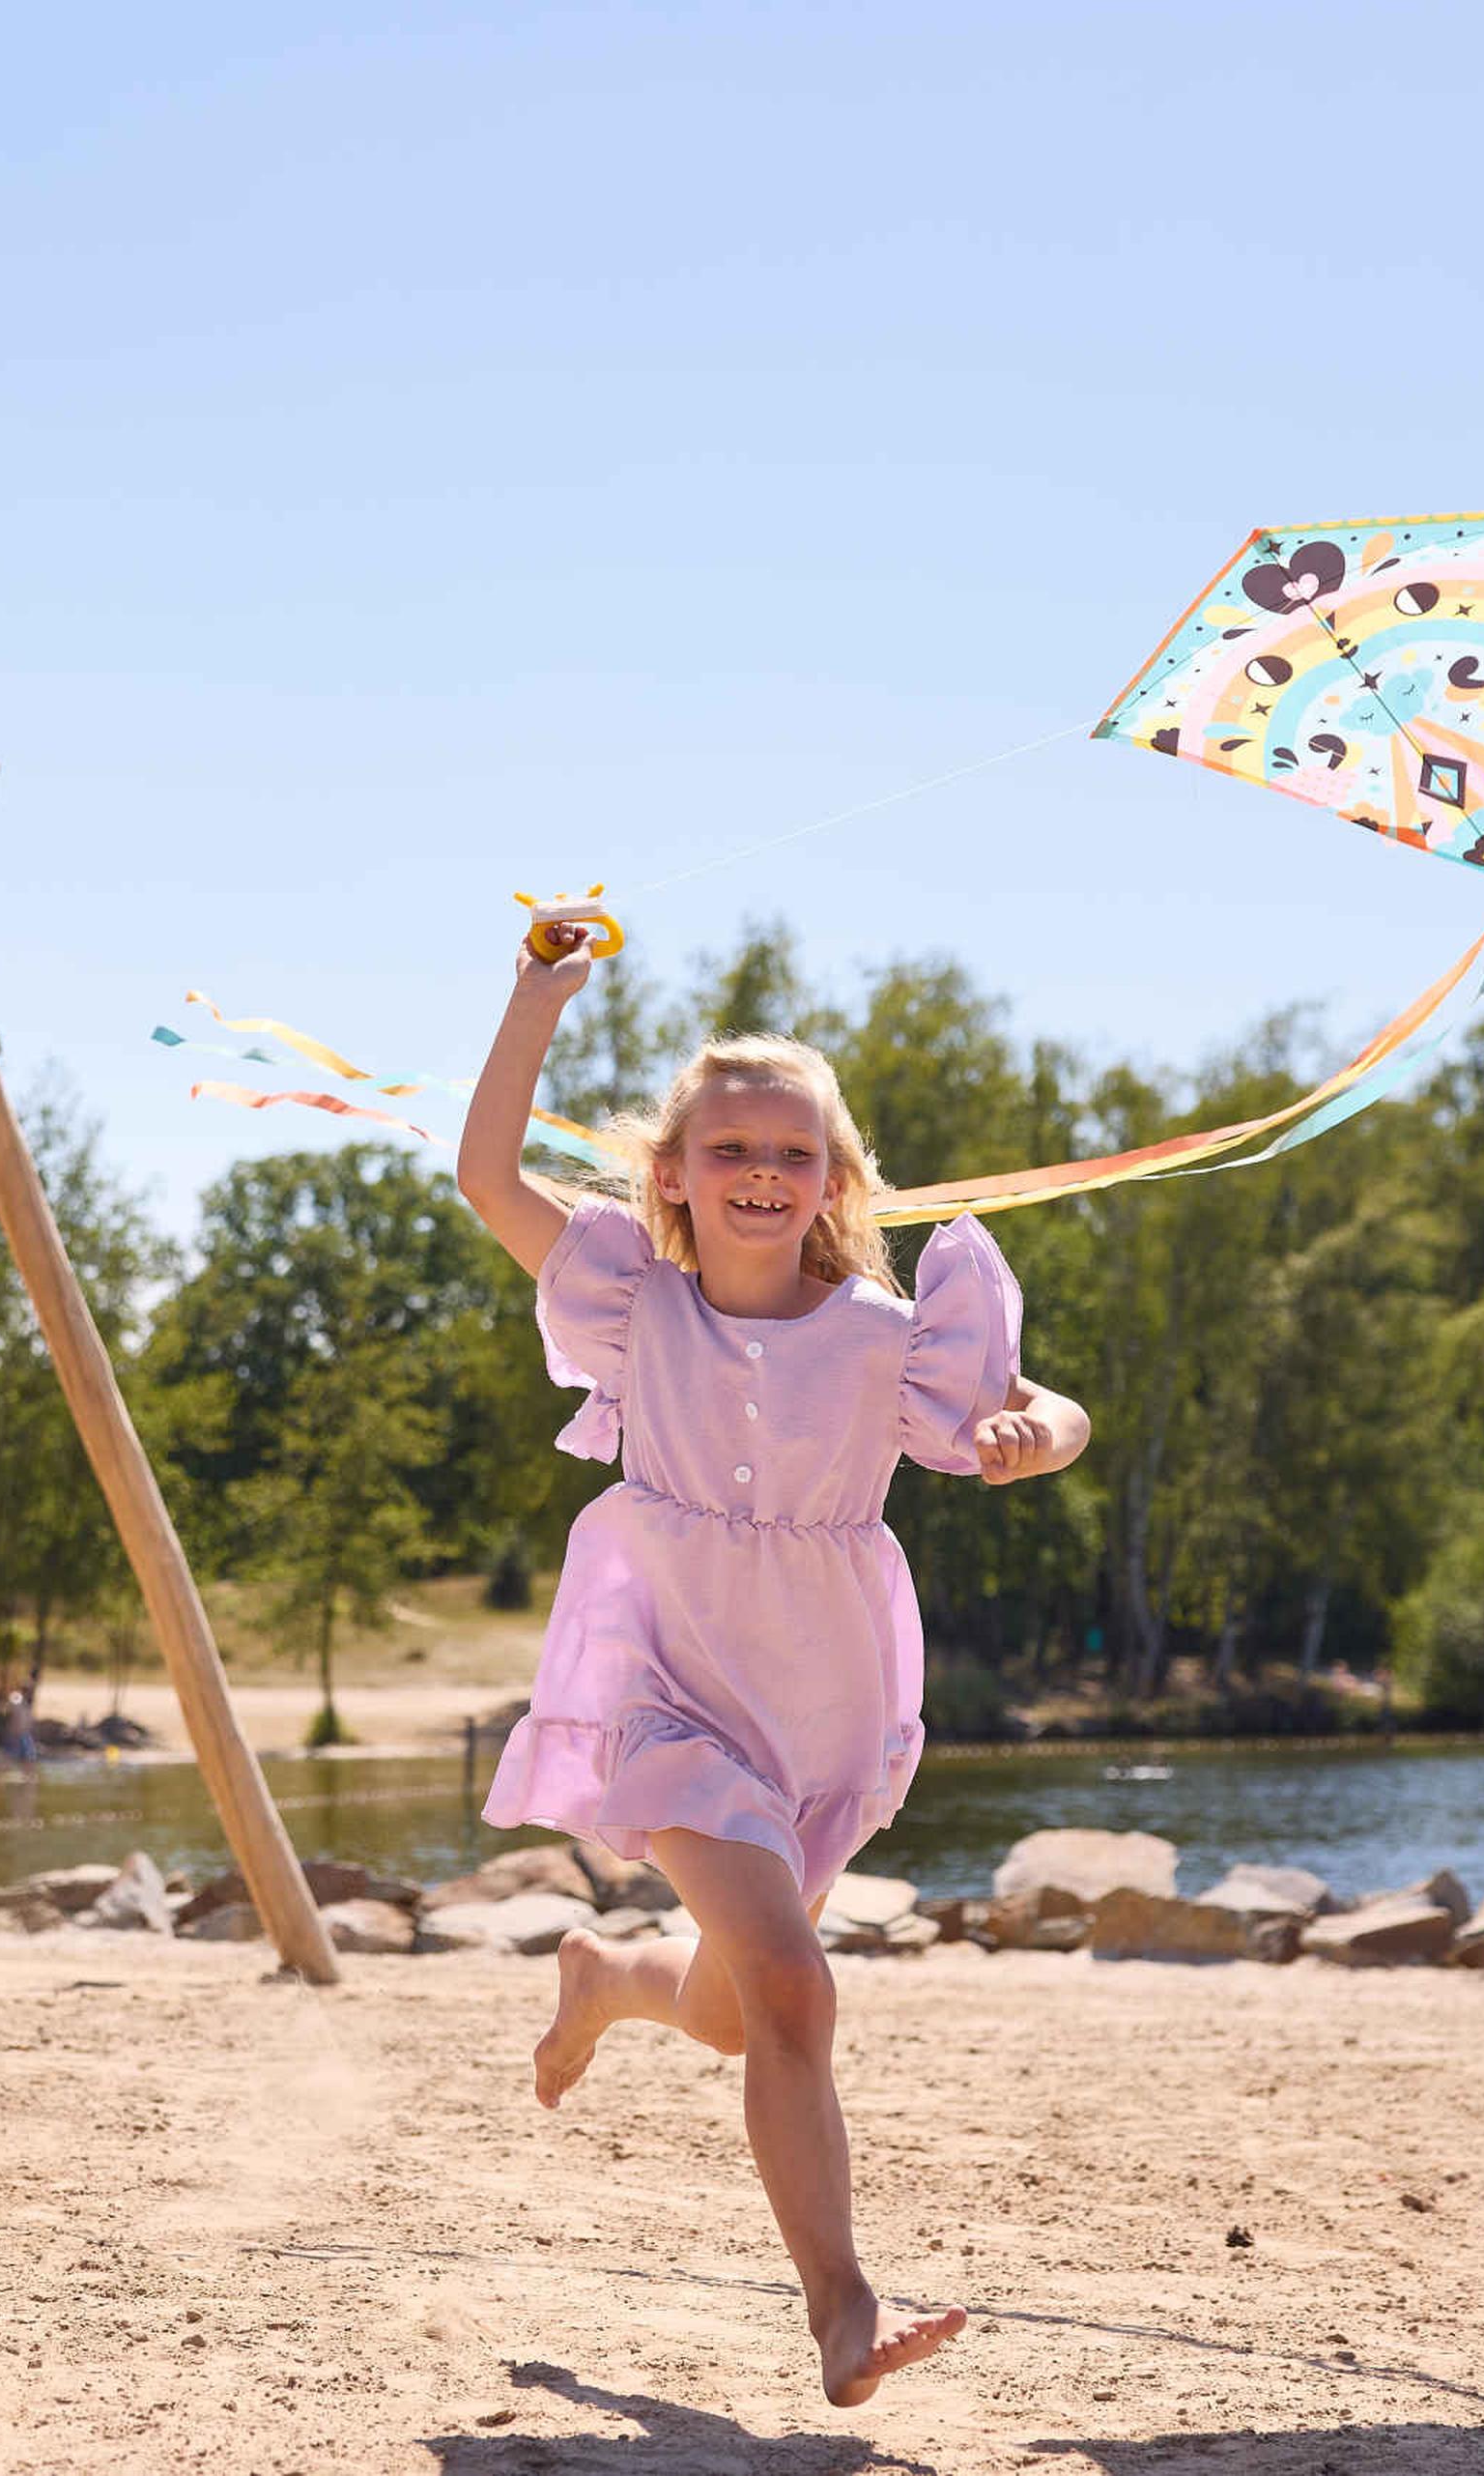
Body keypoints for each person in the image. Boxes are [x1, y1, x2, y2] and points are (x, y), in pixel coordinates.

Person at [450, 920, 1090, 2408]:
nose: (760, 1167)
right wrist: (535, 1001)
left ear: (833, 1183)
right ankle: (843, 2308)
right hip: (667, 1686)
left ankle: (611, 1978)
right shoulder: (630, 1300)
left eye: (792, 1151)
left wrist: (1025, 1440)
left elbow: (1051, 1409)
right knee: (797, 1995)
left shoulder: (886, 1337)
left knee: (744, 2006)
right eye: (727, 1142)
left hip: (820, 1707)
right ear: (670, 1170)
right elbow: (487, 1176)